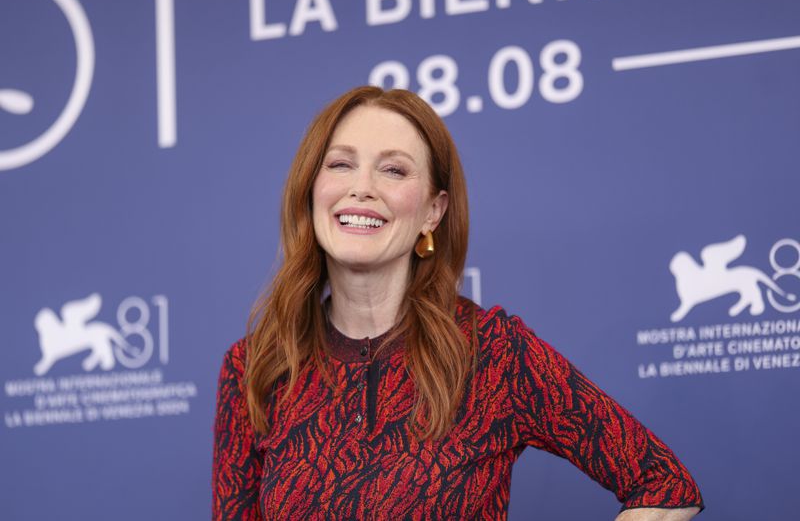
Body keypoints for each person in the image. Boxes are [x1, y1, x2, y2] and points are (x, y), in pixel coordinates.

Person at [212, 86, 704, 520]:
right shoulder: (253, 368)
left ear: (433, 210)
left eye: (393, 170)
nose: (362, 187)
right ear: (311, 191)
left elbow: (665, 487)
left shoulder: (492, 351)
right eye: (340, 164)